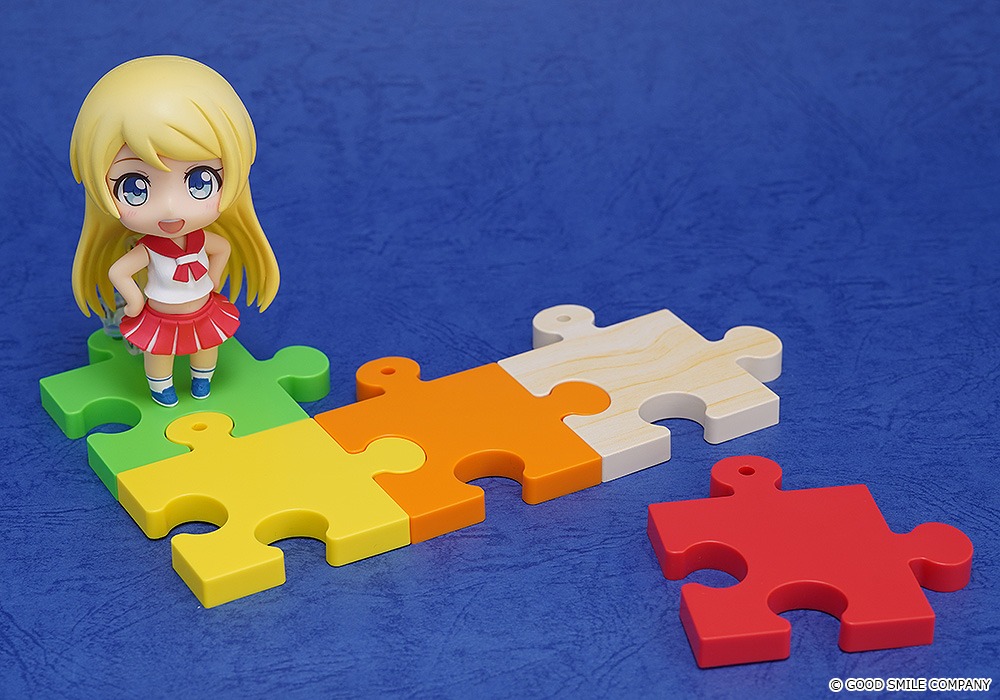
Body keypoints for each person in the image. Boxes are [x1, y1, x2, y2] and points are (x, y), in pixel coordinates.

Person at [70, 56, 278, 406]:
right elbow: (118, 271)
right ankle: (161, 387)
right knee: (159, 352)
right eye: (134, 187)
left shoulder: (201, 239)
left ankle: (202, 381)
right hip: (161, 312)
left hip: (202, 307)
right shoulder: (149, 249)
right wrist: (135, 301)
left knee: (206, 346)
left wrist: (213, 279)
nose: (169, 208)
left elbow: (223, 248)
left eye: (200, 180)